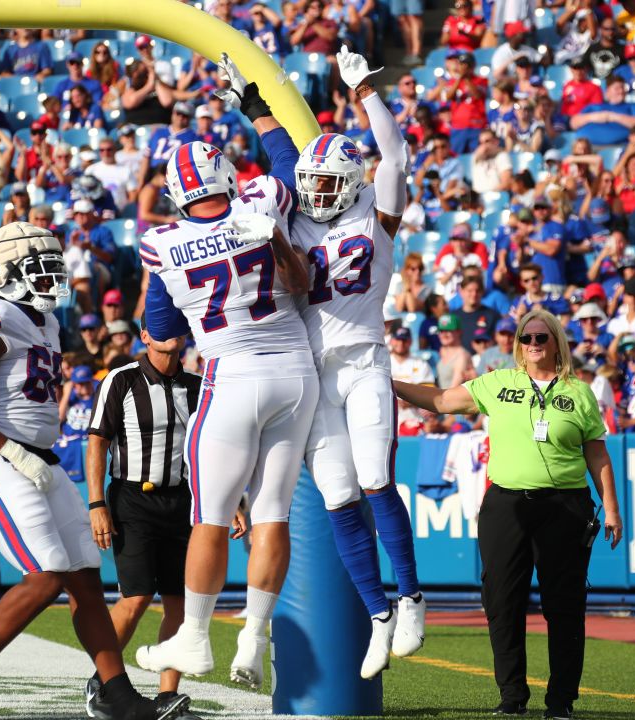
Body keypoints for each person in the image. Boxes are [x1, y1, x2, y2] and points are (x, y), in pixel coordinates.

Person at [0, 223, 185, 720]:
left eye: (54, 264)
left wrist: (30, 455)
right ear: (5, 274)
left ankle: (115, 691)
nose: (52, 275)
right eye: (38, 266)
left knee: (86, 579)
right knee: (48, 574)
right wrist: (14, 452)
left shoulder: (44, 321)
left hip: (38, 459)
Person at [133, 56, 313, 690]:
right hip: (296, 372)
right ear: (226, 177)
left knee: (208, 518)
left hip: (231, 376)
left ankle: (197, 637)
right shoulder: (262, 200)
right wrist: (257, 107)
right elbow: (294, 158)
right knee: (272, 516)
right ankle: (255, 639)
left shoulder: (161, 244)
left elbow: (163, 333)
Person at [393, 308, 623, 720]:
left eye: (541, 338)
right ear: (517, 344)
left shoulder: (581, 392)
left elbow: (598, 455)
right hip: (505, 504)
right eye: (526, 338)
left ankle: (561, 701)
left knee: (564, 605)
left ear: (556, 342)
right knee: (501, 600)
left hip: (566, 506)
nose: (533, 345)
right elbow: (443, 401)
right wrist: (387, 384)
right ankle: (512, 695)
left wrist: (611, 508)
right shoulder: (499, 382)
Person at [284, 46, 426, 679]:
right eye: (307, 184)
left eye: (324, 183)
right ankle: (378, 614)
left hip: (365, 359)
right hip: (313, 374)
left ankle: (412, 597)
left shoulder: (377, 216)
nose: (313, 194)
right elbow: (279, 165)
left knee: (373, 478)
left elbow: (393, 156)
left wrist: (366, 89)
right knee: (340, 494)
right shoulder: (294, 221)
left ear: (348, 183)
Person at [84, 322, 240, 720]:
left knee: (180, 602)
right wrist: (96, 502)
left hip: (183, 501)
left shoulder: (198, 385)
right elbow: (98, 441)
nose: (170, 334)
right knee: (135, 598)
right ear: (144, 335)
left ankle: (167, 695)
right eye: (161, 327)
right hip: (133, 499)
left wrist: (232, 498)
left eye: (176, 327)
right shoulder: (121, 380)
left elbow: (210, 447)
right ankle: (103, 680)